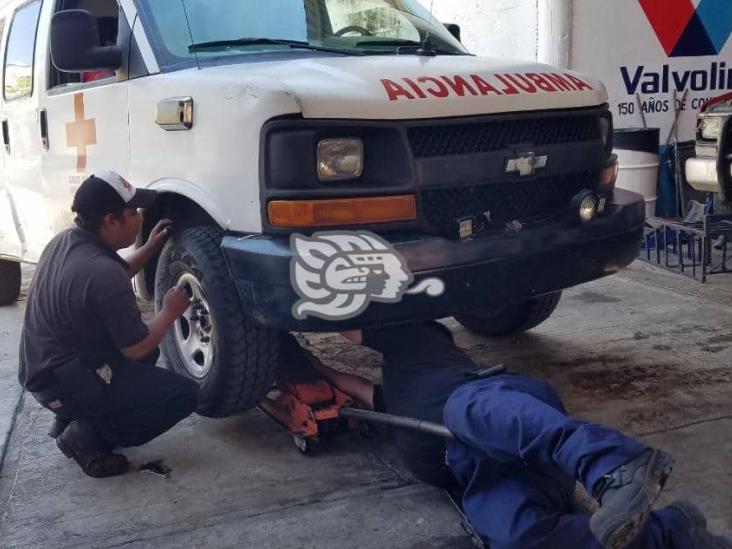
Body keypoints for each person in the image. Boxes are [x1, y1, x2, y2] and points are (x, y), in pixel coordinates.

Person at [296, 322, 730, 549]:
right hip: (483, 471)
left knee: (465, 407)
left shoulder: (418, 339)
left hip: (506, 414)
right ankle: (671, 532)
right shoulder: (394, 395)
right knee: (516, 537)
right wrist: (294, 359)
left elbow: (346, 319)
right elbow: (346, 382)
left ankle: (615, 466)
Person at [19, 171, 200, 478]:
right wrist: (169, 312)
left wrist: (150, 247)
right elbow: (136, 346)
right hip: (61, 382)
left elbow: (108, 280)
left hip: (43, 371)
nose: (140, 220)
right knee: (183, 394)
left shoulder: (67, 241)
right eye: (132, 214)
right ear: (110, 221)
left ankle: (75, 415)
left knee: (146, 357)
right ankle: (88, 436)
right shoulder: (101, 273)